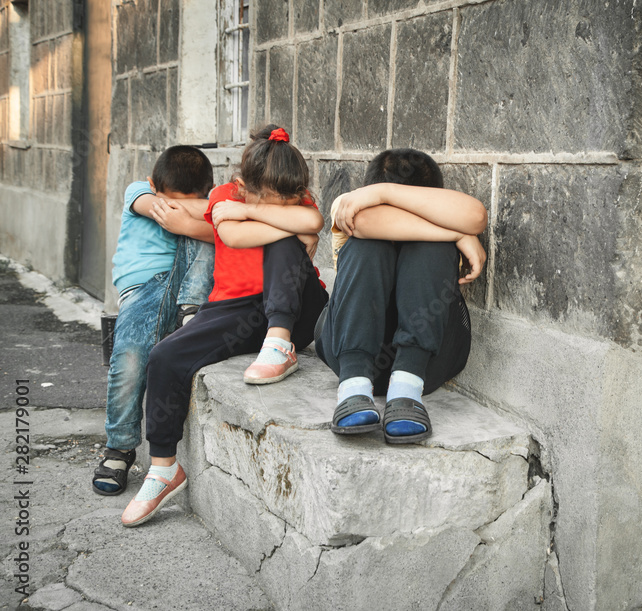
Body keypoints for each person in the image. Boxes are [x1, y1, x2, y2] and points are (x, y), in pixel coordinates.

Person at [121, 125, 328, 527]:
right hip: (235, 309)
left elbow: (314, 218)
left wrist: (258, 212)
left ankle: (280, 342)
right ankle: (163, 469)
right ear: (242, 185)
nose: (284, 205)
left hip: (299, 308)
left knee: (285, 243)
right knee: (164, 356)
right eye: (267, 200)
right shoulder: (221, 197)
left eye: (288, 202)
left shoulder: (284, 194)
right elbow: (234, 236)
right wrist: (291, 223)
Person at [314, 148, 487, 444]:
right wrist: (458, 234)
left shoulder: (447, 217)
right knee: (367, 245)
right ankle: (354, 390)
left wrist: (385, 194)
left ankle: (405, 390)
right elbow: (364, 224)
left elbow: (477, 215)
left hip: (427, 363)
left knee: (431, 249)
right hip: (348, 354)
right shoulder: (348, 204)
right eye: (380, 196)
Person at [93, 145, 215, 496]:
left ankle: (191, 310)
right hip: (143, 290)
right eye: (169, 198)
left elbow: (219, 231)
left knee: (210, 228)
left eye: (193, 200)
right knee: (130, 354)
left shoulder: (212, 202)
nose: (173, 206)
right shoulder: (138, 191)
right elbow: (163, 211)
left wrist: (204, 215)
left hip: (186, 290)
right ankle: (119, 448)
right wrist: (204, 211)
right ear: (152, 184)